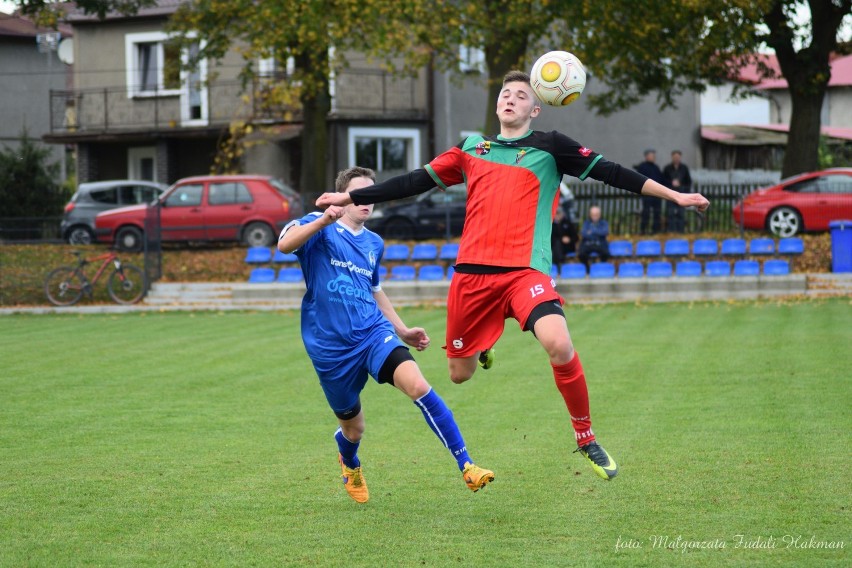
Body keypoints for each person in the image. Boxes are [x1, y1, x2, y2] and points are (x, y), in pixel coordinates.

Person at [317, 71, 710, 481]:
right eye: (506, 94)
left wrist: (675, 194)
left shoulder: (552, 146)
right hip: (472, 278)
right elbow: (413, 181)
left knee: (558, 342)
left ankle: (585, 437)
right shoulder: (472, 148)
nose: (510, 99)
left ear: (535, 109)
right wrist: (352, 196)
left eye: (521, 96)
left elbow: (612, 171)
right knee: (459, 374)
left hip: (525, 272)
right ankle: (487, 341)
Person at [278, 166, 494, 503]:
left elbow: (375, 290)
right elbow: (283, 245)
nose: (366, 202)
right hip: (330, 348)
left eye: (370, 195)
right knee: (353, 429)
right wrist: (322, 220)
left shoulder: (374, 244)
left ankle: (467, 465)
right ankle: (349, 462)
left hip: (372, 334)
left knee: (419, 386)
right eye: (358, 194)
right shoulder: (316, 225)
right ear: (342, 198)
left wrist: (403, 330)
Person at [634, 149, 665, 234]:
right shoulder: (642, 167)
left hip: (657, 195)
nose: (654, 158)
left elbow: (661, 179)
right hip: (647, 194)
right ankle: (643, 230)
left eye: (654, 156)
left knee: (657, 213)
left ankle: (655, 230)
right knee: (646, 213)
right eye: (652, 156)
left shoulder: (656, 167)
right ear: (647, 157)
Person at [662, 150, 692, 233]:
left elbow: (688, 181)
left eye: (678, 157)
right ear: (672, 157)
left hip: (681, 193)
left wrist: (683, 187)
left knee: (681, 214)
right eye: (675, 157)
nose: (676, 159)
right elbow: (663, 181)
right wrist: (671, 183)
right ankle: (671, 231)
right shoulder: (667, 168)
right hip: (670, 194)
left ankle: (680, 231)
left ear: (680, 158)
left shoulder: (684, 168)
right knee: (670, 213)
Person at [578, 205, 610, 270]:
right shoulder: (586, 223)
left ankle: (600, 268)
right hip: (588, 243)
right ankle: (587, 269)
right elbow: (583, 233)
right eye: (593, 214)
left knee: (606, 253)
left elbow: (605, 232)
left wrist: (592, 231)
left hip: (600, 243)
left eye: (596, 214)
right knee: (581, 254)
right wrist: (597, 232)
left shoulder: (604, 222)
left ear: (599, 215)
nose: (594, 216)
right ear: (590, 215)